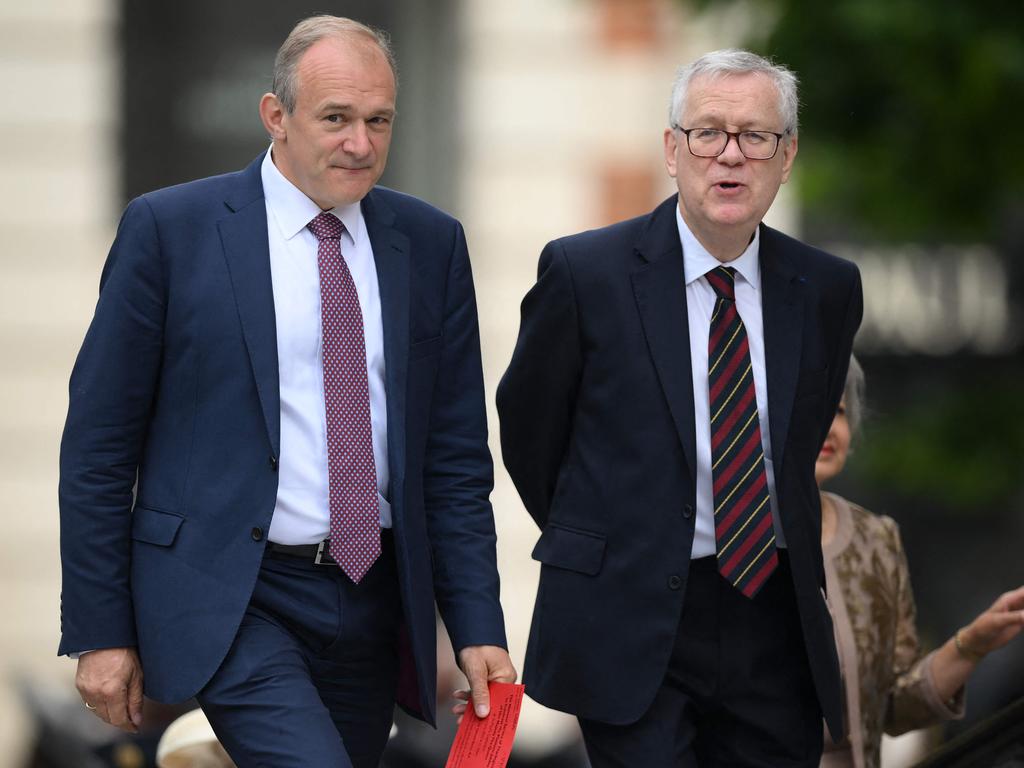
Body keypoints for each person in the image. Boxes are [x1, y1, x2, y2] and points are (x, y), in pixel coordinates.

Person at [58, 15, 515, 768]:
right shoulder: (171, 230)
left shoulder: (430, 244)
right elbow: (100, 445)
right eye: (336, 118)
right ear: (277, 115)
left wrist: (476, 627)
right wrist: (101, 630)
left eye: (378, 121)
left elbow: (455, 461)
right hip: (236, 595)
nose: (361, 143)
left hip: (373, 599)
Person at [495, 49, 862, 766]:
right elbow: (531, 434)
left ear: (786, 157)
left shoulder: (824, 288)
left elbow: (800, 440)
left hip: (772, 617)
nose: (731, 156)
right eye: (708, 133)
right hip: (633, 614)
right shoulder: (585, 273)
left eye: (755, 136)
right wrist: (610, 540)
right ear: (672, 149)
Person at [816, 357, 1024, 768]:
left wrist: (972, 644)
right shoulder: (731, 537)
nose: (828, 426)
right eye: (811, 406)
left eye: (839, 412)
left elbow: (895, 708)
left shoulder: (875, 539)